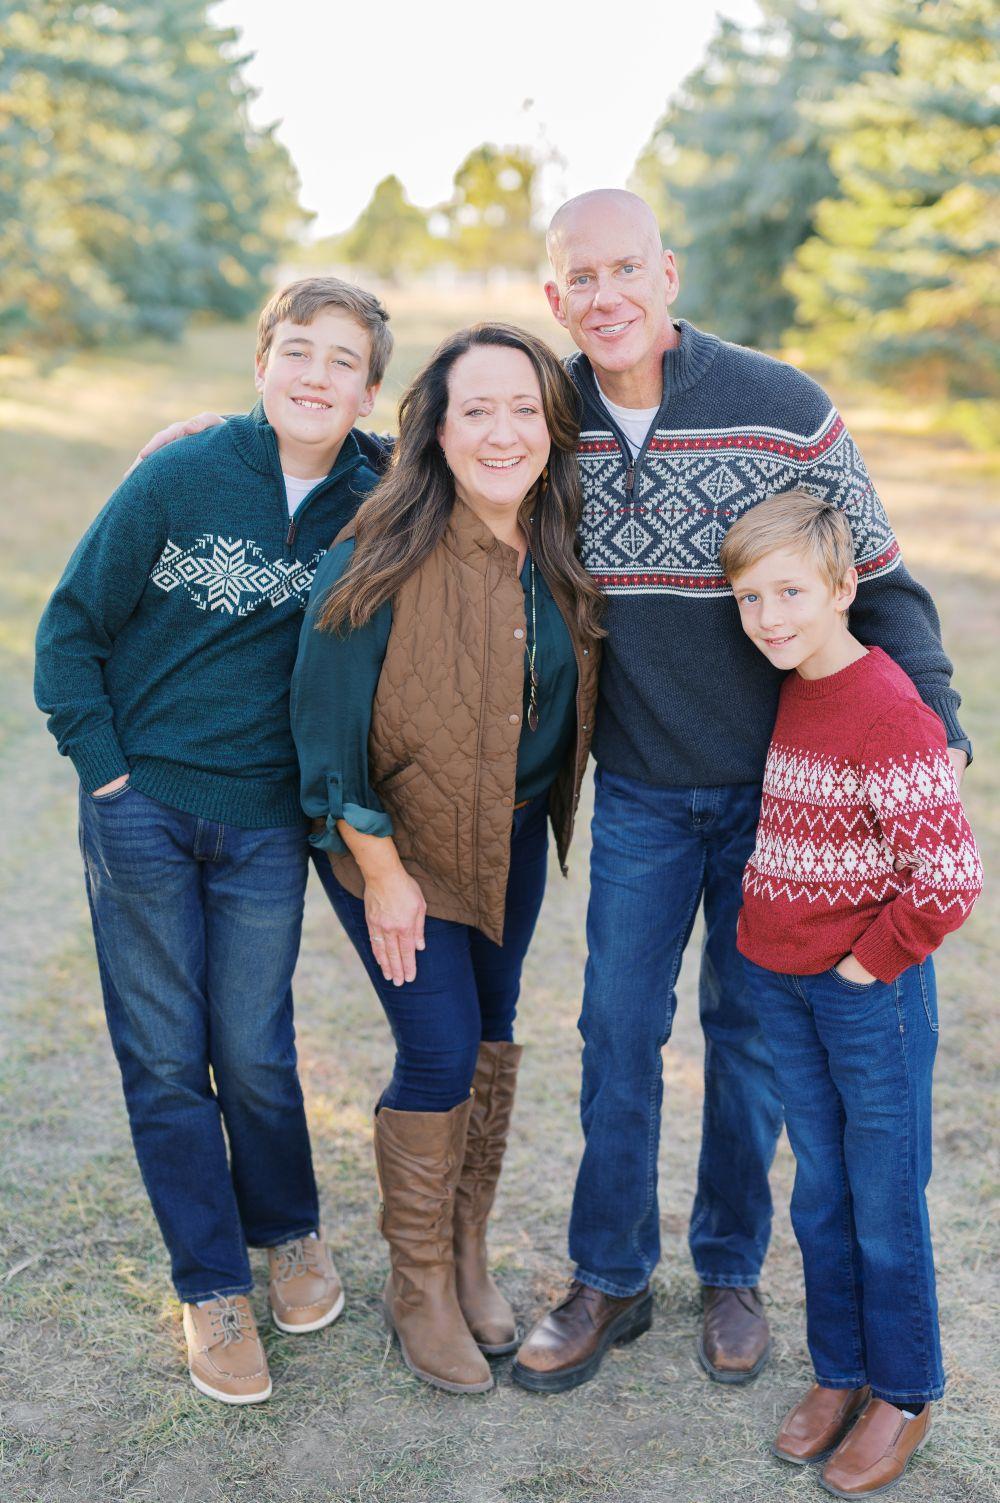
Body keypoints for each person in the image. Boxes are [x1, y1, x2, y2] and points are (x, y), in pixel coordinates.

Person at [131, 188, 971, 1395]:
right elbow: (429, 454)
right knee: (616, 1034)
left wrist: (935, 733)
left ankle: (729, 1269)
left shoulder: (781, 406)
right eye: (583, 278)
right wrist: (224, 437)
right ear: (555, 297)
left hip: (775, 792)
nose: (607, 295)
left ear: (667, 274)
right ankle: (609, 1275)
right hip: (637, 792)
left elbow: (879, 580)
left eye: (628, 269)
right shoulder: (549, 410)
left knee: (744, 1039)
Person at [34, 276, 391, 1403]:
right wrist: (107, 774)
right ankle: (210, 1285)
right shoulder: (180, 474)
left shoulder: (378, 496)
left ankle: (286, 1229)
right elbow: (68, 629)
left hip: (266, 825)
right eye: (298, 350)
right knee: (161, 1055)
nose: (315, 375)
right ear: (260, 362)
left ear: (369, 393)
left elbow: (468, 461)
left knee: (253, 1046)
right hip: (140, 809)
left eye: (343, 360)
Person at [290, 322, 602, 1395]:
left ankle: (467, 1249)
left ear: (552, 429)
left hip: (509, 835)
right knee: (438, 1051)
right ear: (435, 428)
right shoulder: (377, 551)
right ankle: (416, 1281)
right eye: (477, 410)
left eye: (524, 409)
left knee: (493, 1037)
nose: (503, 432)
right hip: (396, 845)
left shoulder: (560, 543)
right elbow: (325, 739)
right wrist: (383, 876)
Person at [719, 491, 981, 1498]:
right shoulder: (796, 687)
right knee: (820, 1190)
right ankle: (840, 1371)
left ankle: (904, 1391)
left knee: (881, 1195)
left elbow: (948, 876)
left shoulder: (887, 708)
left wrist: (867, 967)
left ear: (842, 590)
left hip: (868, 995)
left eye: (790, 593)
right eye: (749, 598)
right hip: (783, 985)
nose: (768, 617)